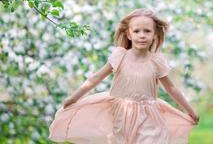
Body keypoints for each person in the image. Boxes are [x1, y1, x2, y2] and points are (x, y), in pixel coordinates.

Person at [48, 8, 199, 144]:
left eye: (147, 31)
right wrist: (74, 98)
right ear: (128, 34)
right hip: (122, 115)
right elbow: (96, 78)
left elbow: (171, 88)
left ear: (154, 35)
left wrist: (189, 110)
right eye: (137, 31)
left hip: (150, 115)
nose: (142, 35)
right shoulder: (120, 56)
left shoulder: (156, 61)